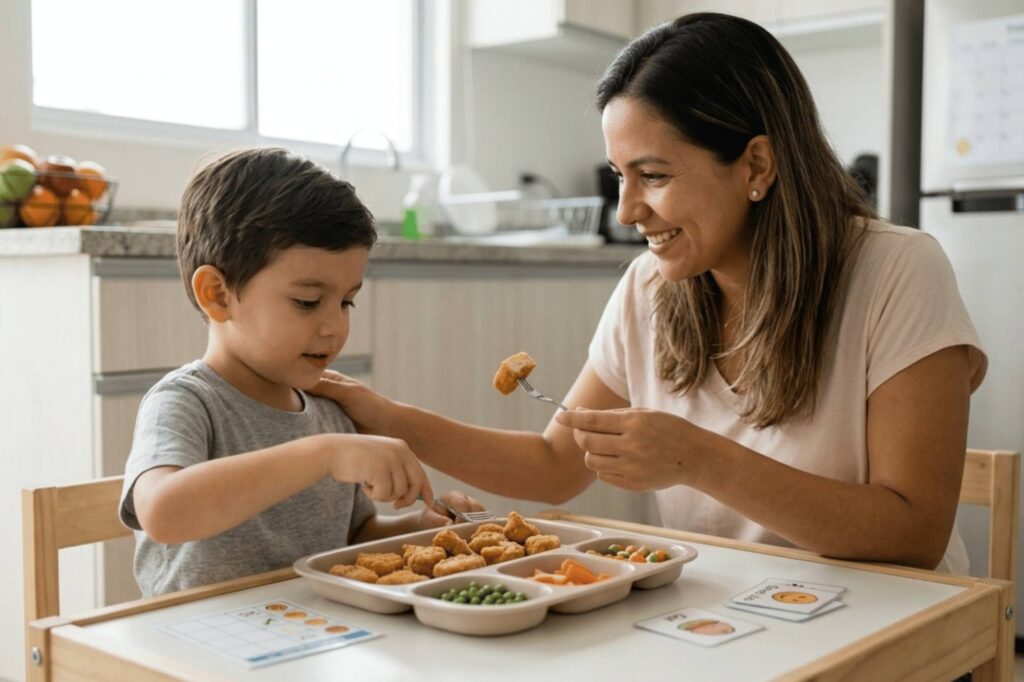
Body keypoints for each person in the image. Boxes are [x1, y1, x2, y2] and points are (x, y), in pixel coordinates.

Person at [312, 13, 987, 574]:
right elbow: (553, 466)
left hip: (892, 629)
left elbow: (914, 533)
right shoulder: (649, 288)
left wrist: (697, 457)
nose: (627, 210)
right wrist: (384, 415)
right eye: (618, 176)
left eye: (654, 175)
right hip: (729, 625)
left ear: (755, 164)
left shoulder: (898, 271)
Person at [118, 148, 479, 596]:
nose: (335, 327)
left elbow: (350, 540)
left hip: (311, 640)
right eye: (307, 302)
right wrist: (323, 454)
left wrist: (419, 528)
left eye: (346, 301)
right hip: (199, 651)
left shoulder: (328, 410)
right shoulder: (186, 401)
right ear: (218, 294)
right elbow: (163, 513)